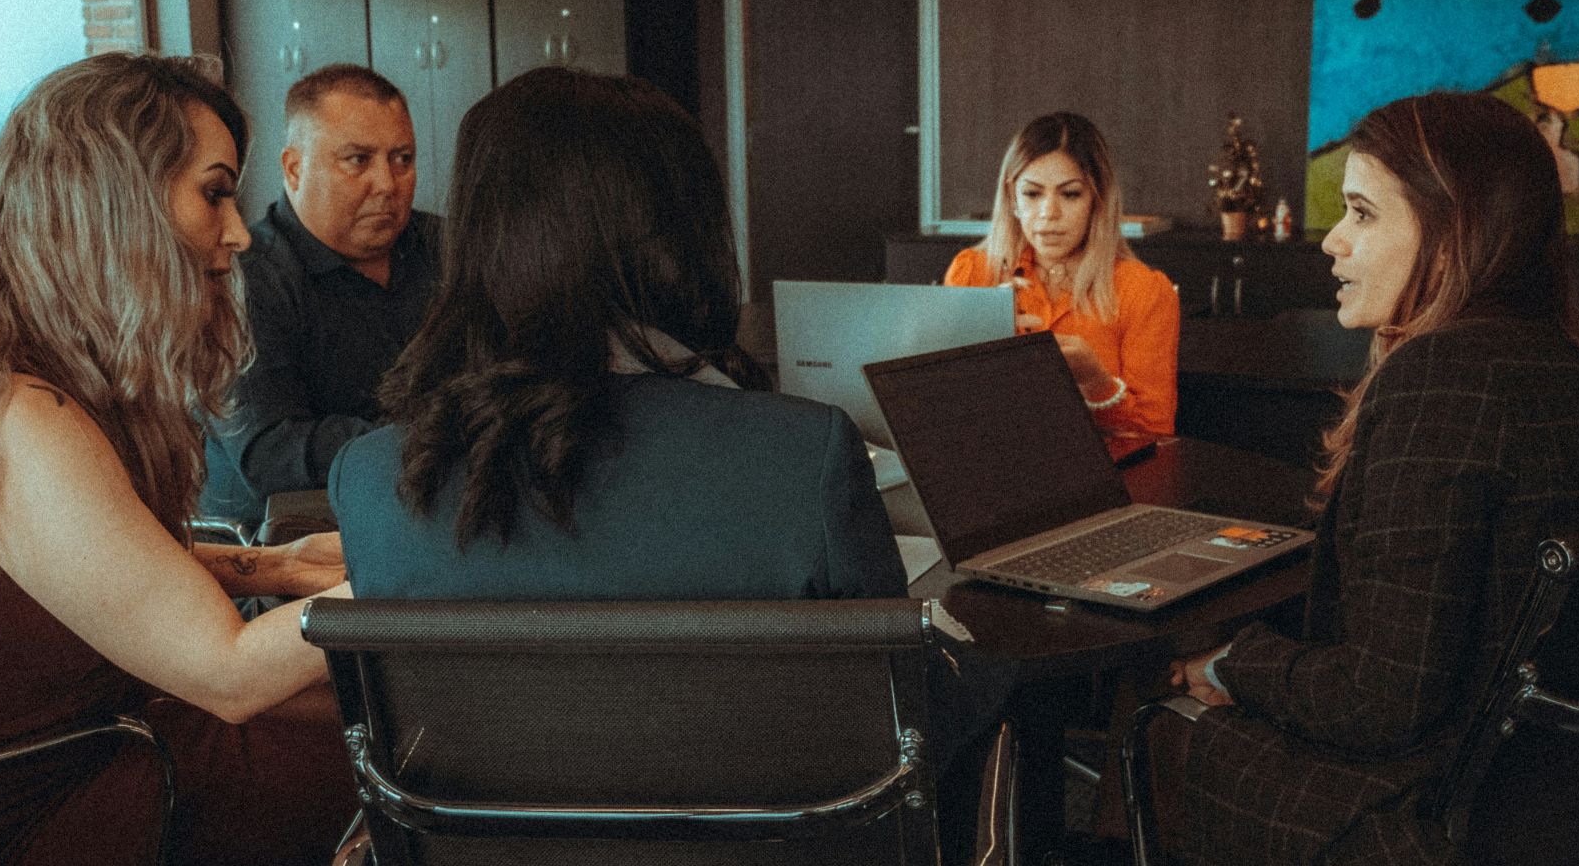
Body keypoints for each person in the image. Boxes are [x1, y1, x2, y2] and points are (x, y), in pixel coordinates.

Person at [0, 53, 358, 865]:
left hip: (85, 736)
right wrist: (403, 573)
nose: (239, 232)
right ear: (113, 204)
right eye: (213, 192)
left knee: (369, 711)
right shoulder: (7, 417)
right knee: (390, 750)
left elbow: (86, 563)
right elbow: (228, 672)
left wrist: (274, 565)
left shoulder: (2, 365)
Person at [1163, 93, 1579, 865]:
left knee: (1159, 716)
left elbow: (1380, 701)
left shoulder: (1440, 378)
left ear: (1454, 228)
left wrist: (1238, 661)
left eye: (1362, 213)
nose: (1332, 240)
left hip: (1434, 811)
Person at [331, 66, 902, 600]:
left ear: (481, 242)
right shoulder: (802, 458)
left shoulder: (371, 482)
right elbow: (906, 696)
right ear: (686, 232)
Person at [200, 63, 442, 524]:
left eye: (402, 159)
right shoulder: (240, 278)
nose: (387, 184)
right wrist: (438, 436)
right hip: (289, 552)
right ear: (294, 168)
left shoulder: (452, 250)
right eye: (358, 160)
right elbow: (272, 453)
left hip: (431, 519)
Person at [944, 112, 1179, 438]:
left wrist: (1097, 383)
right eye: (1032, 194)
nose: (1049, 213)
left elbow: (1156, 434)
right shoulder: (972, 274)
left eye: (1070, 194)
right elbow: (943, 410)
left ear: (1097, 201)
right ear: (1012, 198)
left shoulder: (1144, 291)